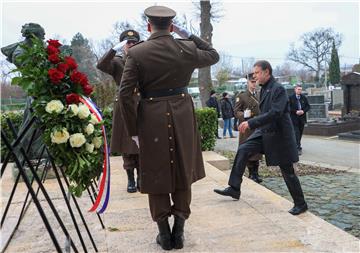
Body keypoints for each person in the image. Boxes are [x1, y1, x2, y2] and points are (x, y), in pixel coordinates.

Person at [119, 5, 219, 250]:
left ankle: (164, 235)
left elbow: (124, 95)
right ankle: (179, 231)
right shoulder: (185, 47)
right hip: (183, 113)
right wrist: (188, 36)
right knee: (183, 169)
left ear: (148, 26)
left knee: (156, 172)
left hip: (150, 117)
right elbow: (213, 54)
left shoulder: (138, 52)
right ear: (172, 26)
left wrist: (133, 131)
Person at [214, 60, 308, 216]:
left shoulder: (278, 89)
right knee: (243, 149)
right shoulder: (264, 89)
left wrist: (251, 123)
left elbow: (275, 113)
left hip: (280, 136)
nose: (254, 76)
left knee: (287, 171)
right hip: (265, 133)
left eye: (257, 73)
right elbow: (264, 114)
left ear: (267, 72)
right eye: (254, 73)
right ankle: (234, 188)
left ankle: (301, 204)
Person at [96, 30, 140, 193]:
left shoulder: (144, 59)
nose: (131, 45)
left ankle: (142, 177)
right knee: (126, 142)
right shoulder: (117, 62)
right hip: (123, 105)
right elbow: (101, 65)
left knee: (143, 143)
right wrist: (114, 49)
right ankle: (130, 179)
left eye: (134, 42)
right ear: (123, 46)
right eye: (128, 43)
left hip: (141, 104)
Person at [233, 73, 262, 183]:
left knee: (257, 151)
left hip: (258, 126)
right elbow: (236, 111)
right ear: (248, 82)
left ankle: (256, 173)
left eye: (255, 82)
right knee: (249, 151)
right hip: (247, 127)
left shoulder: (260, 95)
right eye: (252, 82)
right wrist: (244, 114)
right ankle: (251, 173)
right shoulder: (242, 96)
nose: (254, 84)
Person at [288, 85, 310, 155]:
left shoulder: (303, 97)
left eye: (300, 89)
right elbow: (288, 108)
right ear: (295, 90)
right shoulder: (291, 98)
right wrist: (295, 111)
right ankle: (298, 148)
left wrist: (303, 111)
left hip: (302, 119)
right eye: (298, 89)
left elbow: (308, 106)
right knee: (296, 133)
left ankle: (296, 145)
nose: (299, 91)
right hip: (294, 119)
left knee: (300, 133)